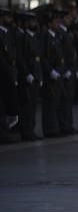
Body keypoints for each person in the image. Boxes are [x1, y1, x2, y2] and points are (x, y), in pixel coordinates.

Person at [17, 11, 42, 141]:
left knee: (33, 105)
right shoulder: (23, 38)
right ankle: (26, 131)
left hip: (36, 75)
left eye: (35, 21)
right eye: (32, 22)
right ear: (27, 23)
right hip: (28, 76)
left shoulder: (35, 37)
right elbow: (21, 58)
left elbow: (38, 58)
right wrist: (27, 73)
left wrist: (39, 76)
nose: (35, 24)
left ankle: (31, 129)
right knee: (27, 105)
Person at [40, 9, 66, 138]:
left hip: (58, 73)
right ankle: (49, 129)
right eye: (55, 22)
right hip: (51, 75)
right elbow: (43, 57)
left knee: (56, 102)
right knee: (49, 103)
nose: (58, 24)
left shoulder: (56, 36)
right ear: (49, 24)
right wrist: (50, 71)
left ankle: (54, 127)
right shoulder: (46, 37)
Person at [57, 11, 78, 135]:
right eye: (69, 17)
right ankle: (64, 125)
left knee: (69, 99)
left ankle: (68, 124)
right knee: (64, 100)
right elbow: (61, 54)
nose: (70, 19)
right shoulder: (60, 33)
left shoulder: (67, 32)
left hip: (71, 69)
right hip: (65, 70)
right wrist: (65, 70)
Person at [0, 7, 19, 144]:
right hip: (2, 76)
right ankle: (3, 133)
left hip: (8, 75)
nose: (10, 20)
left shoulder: (7, 33)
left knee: (7, 105)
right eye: (7, 17)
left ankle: (6, 131)